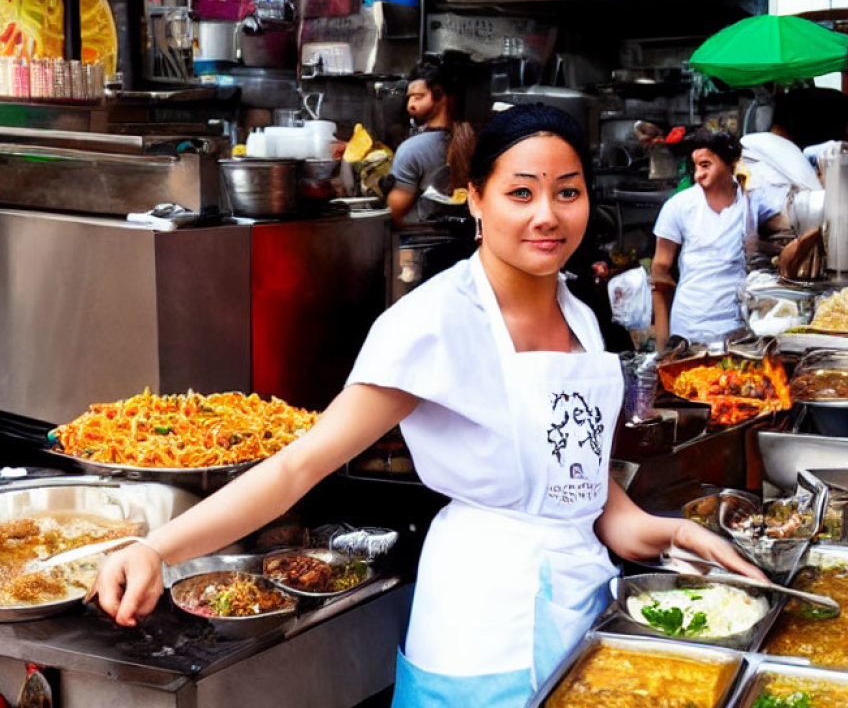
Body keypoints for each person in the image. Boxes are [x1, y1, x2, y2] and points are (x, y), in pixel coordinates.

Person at [95, 105, 764, 708]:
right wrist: (157, 548)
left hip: (583, 612)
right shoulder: (434, 323)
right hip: (482, 634)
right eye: (521, 193)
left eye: (568, 193)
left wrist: (671, 533)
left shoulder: (580, 315)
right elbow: (297, 468)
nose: (547, 215)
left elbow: (587, 498)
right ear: (475, 198)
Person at [651, 131, 788, 349]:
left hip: (736, 330)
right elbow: (659, 273)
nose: (698, 175)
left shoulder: (750, 200)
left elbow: (788, 223)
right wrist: (662, 348)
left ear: (731, 164)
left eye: (706, 165)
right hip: (689, 328)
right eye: (695, 166)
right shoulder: (679, 206)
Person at [386, 56, 476, 227]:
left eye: (418, 97)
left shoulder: (411, 150)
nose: (410, 105)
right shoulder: (474, 140)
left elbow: (394, 213)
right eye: (409, 98)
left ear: (440, 96)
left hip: (419, 241)